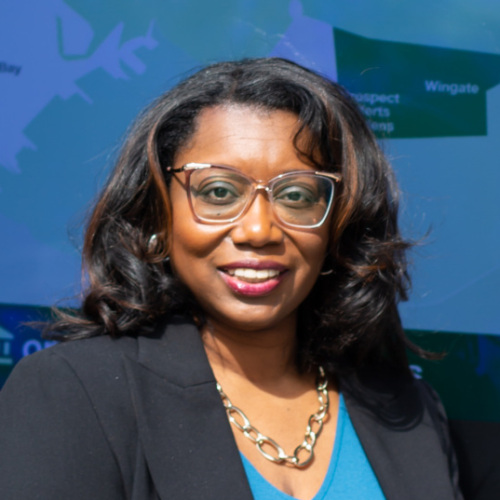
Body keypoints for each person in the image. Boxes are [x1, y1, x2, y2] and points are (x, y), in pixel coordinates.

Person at [0, 58, 462, 500]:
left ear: (337, 227)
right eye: (219, 191)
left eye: (297, 194)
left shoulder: (407, 408)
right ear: (158, 215)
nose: (258, 230)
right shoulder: (73, 391)